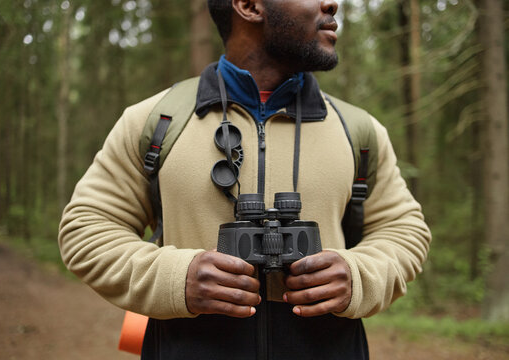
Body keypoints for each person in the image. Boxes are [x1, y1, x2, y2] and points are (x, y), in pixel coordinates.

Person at [58, 0, 431, 359]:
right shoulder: (157, 121)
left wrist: (358, 277)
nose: (331, 4)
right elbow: (86, 229)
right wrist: (176, 279)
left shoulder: (358, 131)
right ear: (249, 6)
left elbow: (403, 230)